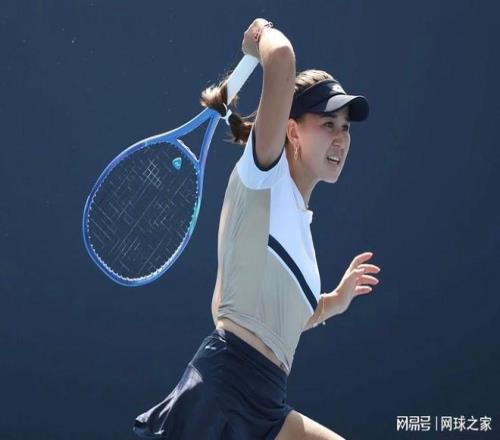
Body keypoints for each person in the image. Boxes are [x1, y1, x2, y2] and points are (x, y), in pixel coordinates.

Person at [133, 18, 381, 440]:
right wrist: (260, 35)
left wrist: (332, 303)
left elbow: (279, 316)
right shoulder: (264, 174)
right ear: (292, 130)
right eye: (328, 124)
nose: (341, 138)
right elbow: (281, 58)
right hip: (223, 387)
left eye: (345, 128)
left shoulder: (301, 227)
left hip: (268, 400)